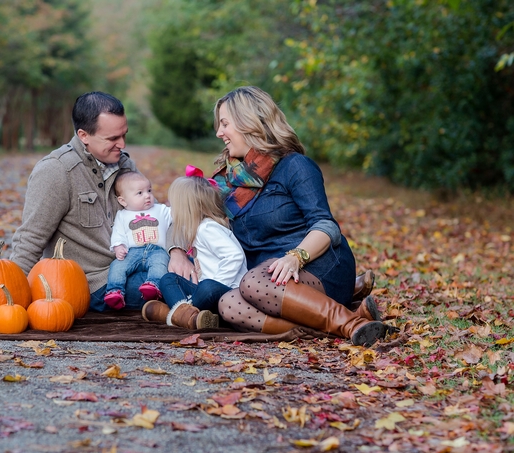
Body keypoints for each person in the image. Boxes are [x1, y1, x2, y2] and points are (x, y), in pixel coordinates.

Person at [168, 86, 394, 346]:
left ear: (249, 122)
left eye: (225, 124)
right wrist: (176, 250)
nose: (219, 133)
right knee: (228, 303)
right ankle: (336, 326)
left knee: (252, 281)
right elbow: (183, 213)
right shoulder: (227, 182)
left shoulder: (294, 166)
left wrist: (295, 258)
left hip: (317, 267)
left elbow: (326, 226)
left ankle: (355, 324)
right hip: (265, 286)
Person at [10, 91, 148, 311]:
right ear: (84, 135)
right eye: (113, 138)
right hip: (91, 283)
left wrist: (176, 252)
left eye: (124, 135)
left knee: (191, 272)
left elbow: (151, 216)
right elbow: (30, 238)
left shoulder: (124, 166)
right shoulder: (56, 171)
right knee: (169, 288)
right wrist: (10, 297)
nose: (122, 144)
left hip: (135, 265)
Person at [142, 169, 248, 329]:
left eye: (173, 204)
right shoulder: (196, 229)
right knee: (169, 279)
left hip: (228, 292)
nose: (170, 208)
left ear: (186, 208)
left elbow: (235, 256)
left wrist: (216, 283)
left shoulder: (208, 229)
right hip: (206, 293)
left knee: (207, 287)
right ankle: (192, 317)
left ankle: (175, 315)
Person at [104, 171, 171, 309]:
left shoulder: (160, 210)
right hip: (132, 251)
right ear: (123, 201)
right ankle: (115, 291)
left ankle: (153, 286)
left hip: (156, 250)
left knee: (160, 265)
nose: (147, 195)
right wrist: (118, 247)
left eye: (149, 190)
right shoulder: (122, 215)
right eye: (140, 193)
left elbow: (177, 215)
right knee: (117, 266)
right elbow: (118, 233)